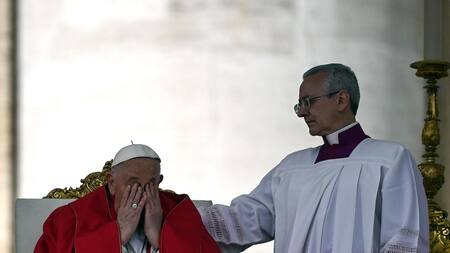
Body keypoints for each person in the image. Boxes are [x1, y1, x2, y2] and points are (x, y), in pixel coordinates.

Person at [199, 63, 429, 253]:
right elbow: (243, 221)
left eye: (308, 102)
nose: (301, 112)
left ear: (341, 100)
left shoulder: (389, 160)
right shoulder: (291, 168)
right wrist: (171, 213)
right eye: (299, 104)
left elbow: (404, 241)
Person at [34, 144, 220, 253]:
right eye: (133, 184)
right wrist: (117, 234)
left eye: (151, 184)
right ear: (112, 183)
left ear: (160, 181)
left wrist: (160, 239)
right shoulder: (69, 219)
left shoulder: (179, 213)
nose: (142, 193)